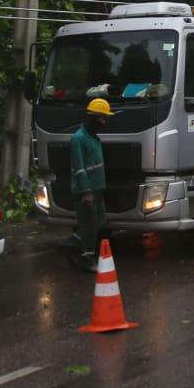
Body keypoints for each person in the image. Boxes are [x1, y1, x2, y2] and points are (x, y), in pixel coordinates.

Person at [70, 98, 116, 272]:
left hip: (97, 188)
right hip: (86, 190)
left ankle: (72, 244)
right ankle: (86, 258)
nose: (104, 122)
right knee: (88, 226)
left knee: (99, 222)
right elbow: (79, 168)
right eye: (102, 118)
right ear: (93, 118)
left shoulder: (93, 138)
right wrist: (86, 192)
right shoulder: (78, 139)